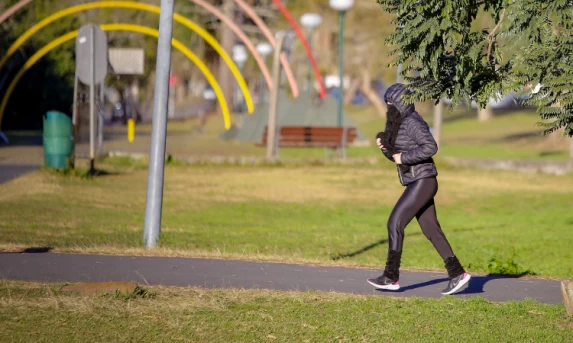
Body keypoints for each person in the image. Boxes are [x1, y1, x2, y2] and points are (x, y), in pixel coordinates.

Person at [366, 83, 471, 295]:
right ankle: (457, 274)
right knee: (431, 230)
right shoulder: (400, 123)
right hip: (417, 180)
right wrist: (386, 148)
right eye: (387, 103)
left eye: (391, 102)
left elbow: (431, 147)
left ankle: (390, 276)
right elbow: (398, 159)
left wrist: (403, 157)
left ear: (400, 102)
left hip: (424, 180)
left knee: (395, 223)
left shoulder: (413, 122)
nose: (388, 107)